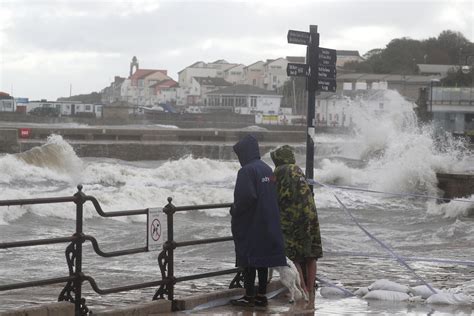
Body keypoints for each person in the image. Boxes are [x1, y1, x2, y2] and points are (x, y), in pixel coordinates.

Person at [230, 134, 287, 307]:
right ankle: (262, 295)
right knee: (263, 260)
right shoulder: (266, 169)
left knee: (248, 260)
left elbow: (247, 197)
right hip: (268, 220)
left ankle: (249, 296)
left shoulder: (246, 171)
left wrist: (234, 210)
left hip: (252, 223)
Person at [270, 145, 323, 296]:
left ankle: (302, 289)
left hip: (292, 217)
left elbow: (273, 193)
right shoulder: (298, 170)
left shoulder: (280, 171)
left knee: (294, 256)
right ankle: (311, 289)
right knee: (311, 254)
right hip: (310, 216)